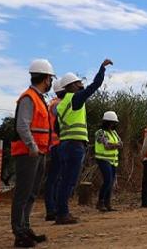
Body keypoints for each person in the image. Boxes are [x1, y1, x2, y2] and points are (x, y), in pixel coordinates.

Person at [55, 58, 112, 225]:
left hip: (64, 145)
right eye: (78, 83)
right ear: (71, 86)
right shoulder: (75, 99)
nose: (81, 85)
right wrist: (102, 69)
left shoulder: (61, 105)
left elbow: (57, 128)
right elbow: (94, 86)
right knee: (69, 180)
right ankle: (63, 214)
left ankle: (61, 211)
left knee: (64, 179)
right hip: (74, 145)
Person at [10, 59, 54, 247]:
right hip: (29, 153)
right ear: (45, 79)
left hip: (38, 153)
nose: (51, 82)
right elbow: (22, 126)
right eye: (50, 79)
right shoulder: (29, 97)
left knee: (31, 193)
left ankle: (25, 228)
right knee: (23, 193)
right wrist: (32, 146)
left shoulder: (38, 98)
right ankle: (19, 233)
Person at [43, 80, 64, 221]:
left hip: (55, 144)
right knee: (54, 178)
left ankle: (54, 207)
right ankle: (51, 209)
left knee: (56, 178)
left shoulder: (52, 103)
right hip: (57, 144)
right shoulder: (57, 104)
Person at [94, 111, 122, 212]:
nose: (114, 125)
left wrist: (114, 145)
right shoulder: (100, 132)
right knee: (108, 180)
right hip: (103, 159)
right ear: (107, 122)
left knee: (111, 182)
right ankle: (100, 202)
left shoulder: (113, 133)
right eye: (113, 122)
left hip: (113, 161)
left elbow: (121, 144)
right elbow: (107, 145)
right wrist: (116, 145)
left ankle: (107, 203)